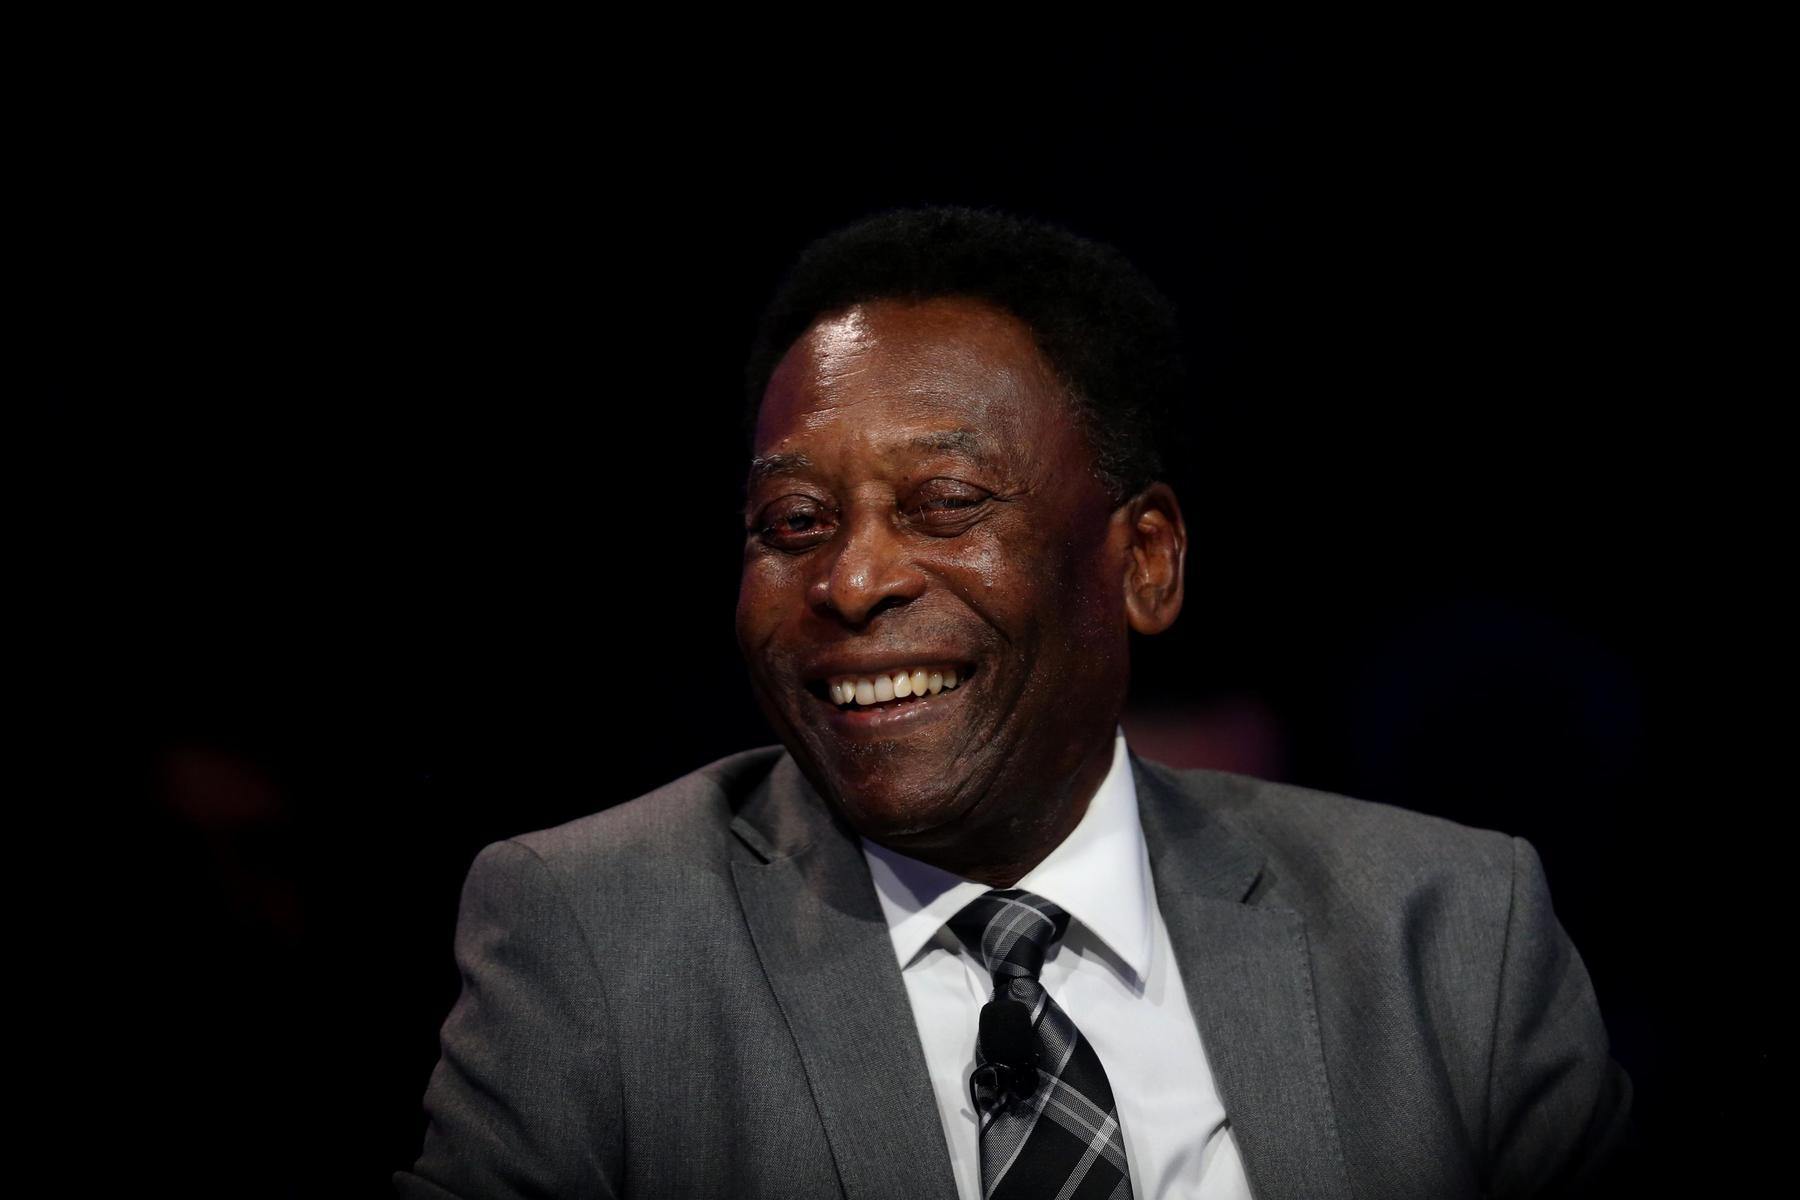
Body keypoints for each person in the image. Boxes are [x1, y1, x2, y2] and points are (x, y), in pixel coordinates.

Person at [396, 207, 1632, 1199]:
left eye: (945, 504)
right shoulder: (599, 937)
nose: (853, 581)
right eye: (794, 522)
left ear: (1145, 563)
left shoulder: (1447, 934)